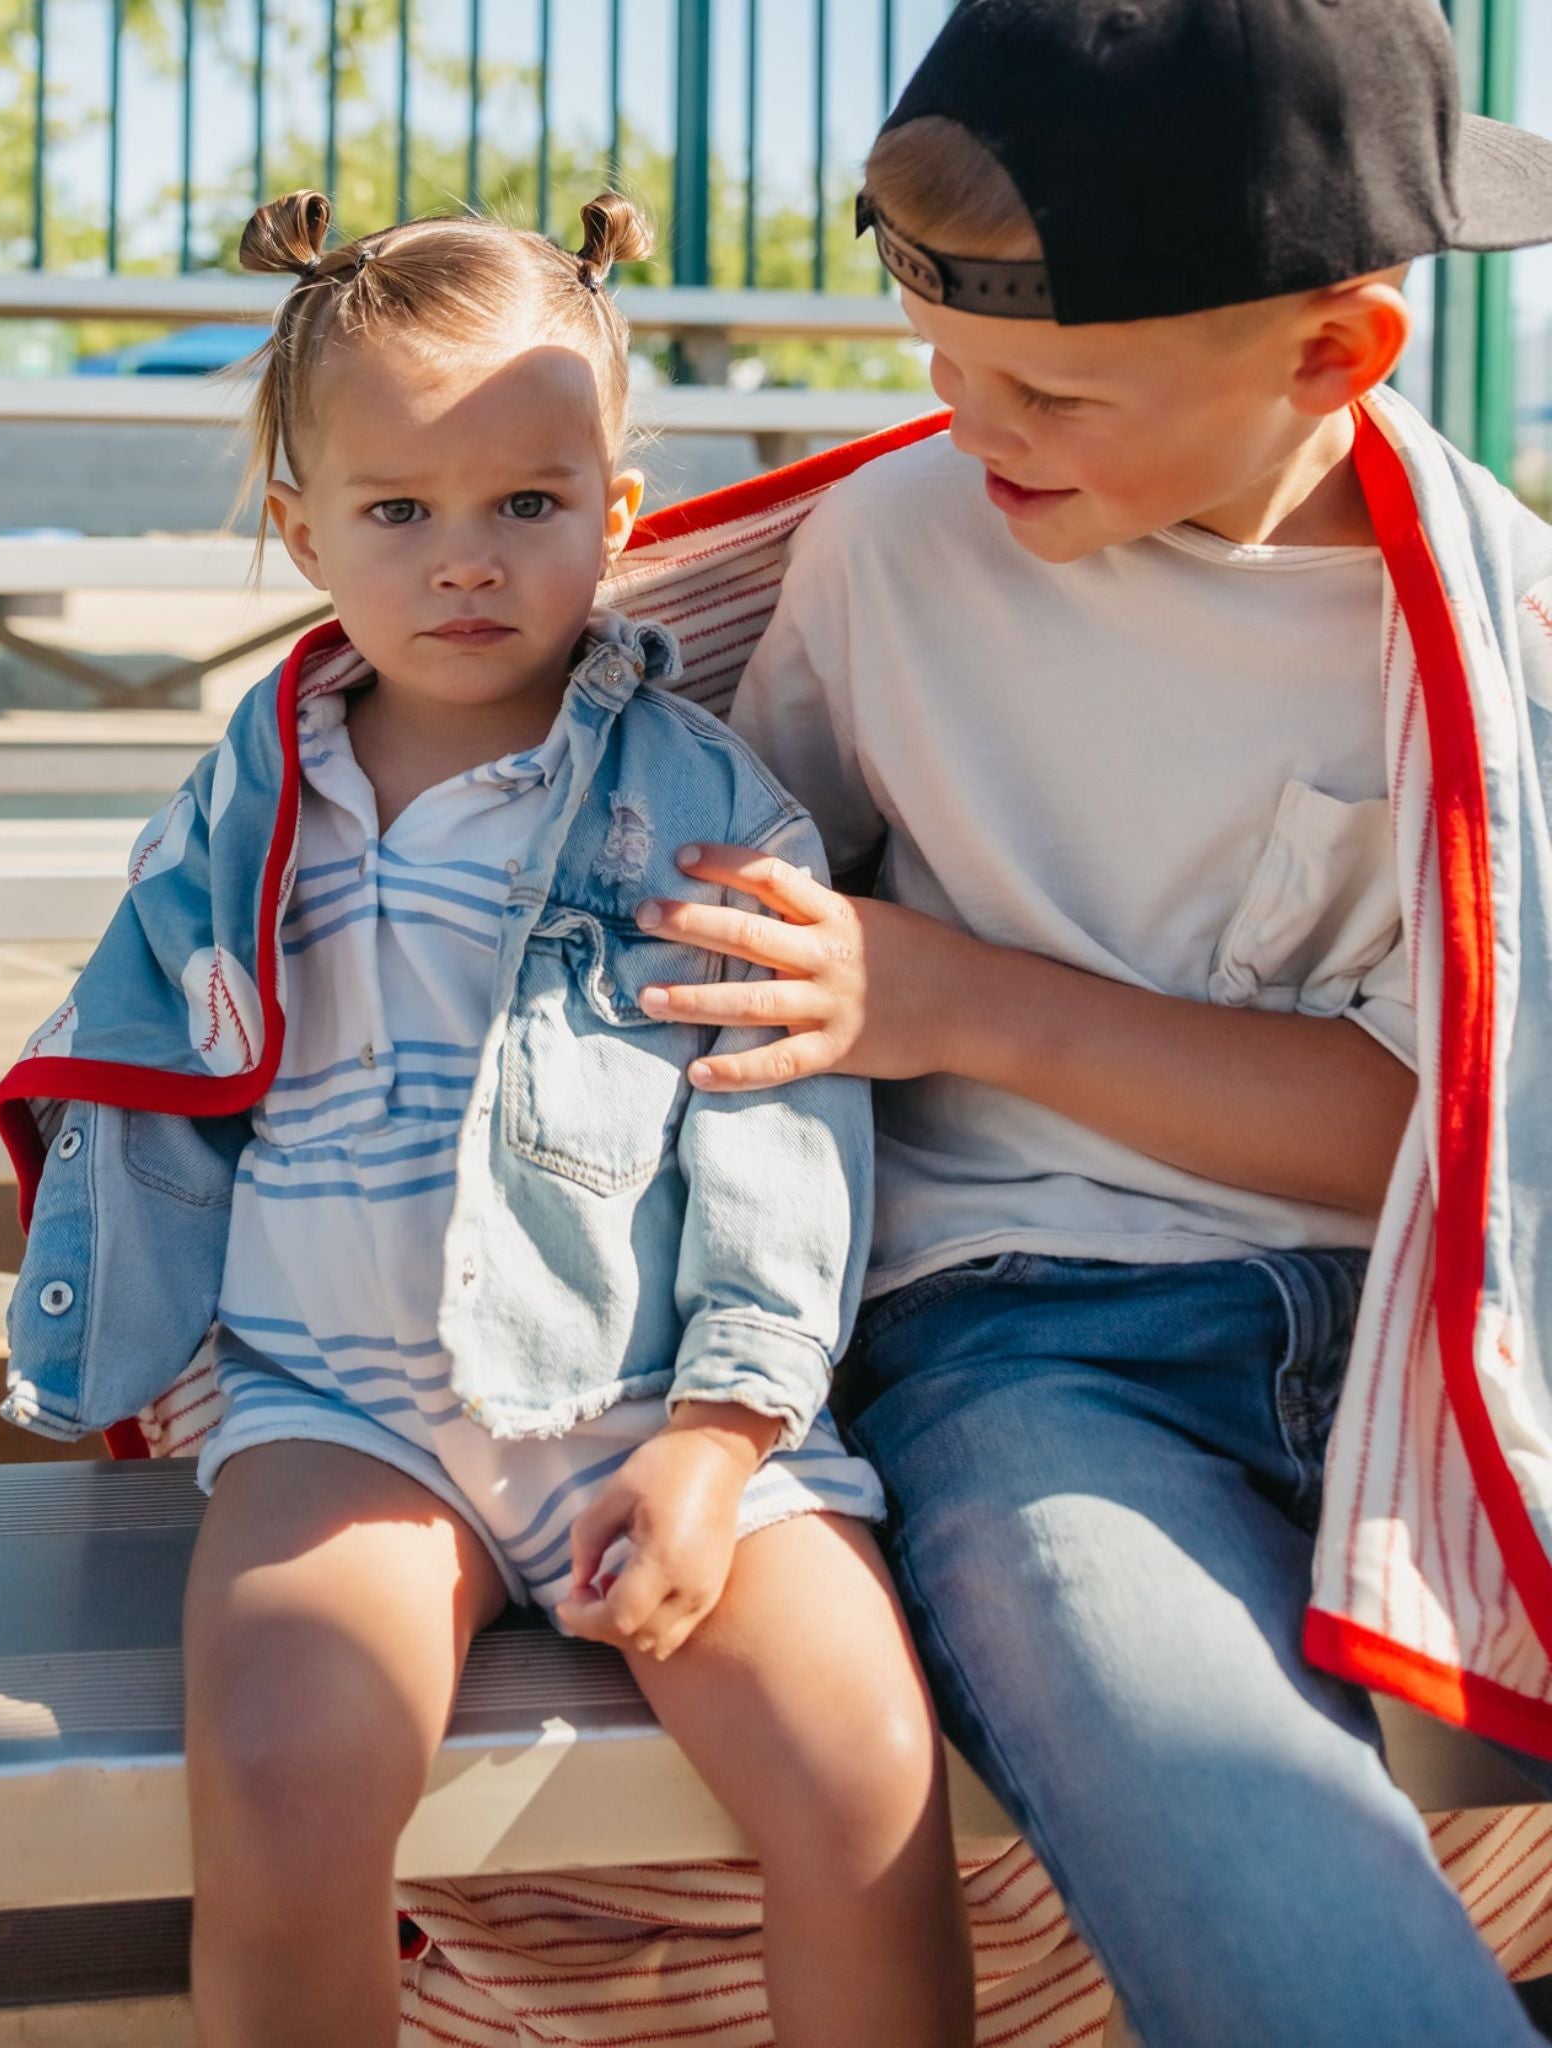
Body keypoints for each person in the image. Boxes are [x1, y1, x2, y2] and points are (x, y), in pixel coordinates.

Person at [628, 3, 1552, 2043]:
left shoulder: (1499, 644)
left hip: (1433, 1341)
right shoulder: (890, 551)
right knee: (1231, 1796)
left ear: (1334, 354)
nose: (972, 426)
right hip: (1031, 1344)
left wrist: (966, 1001)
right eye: (937, 359)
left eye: (1047, 388)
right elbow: (713, 902)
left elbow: (1444, 1134)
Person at [0, 191, 973, 2047]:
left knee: (864, 1780)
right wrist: (106, 1332)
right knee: (283, 1780)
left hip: (655, 1405)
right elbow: (146, 1076)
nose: (465, 562)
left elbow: (778, 1131)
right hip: (346, 1415)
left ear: (617, 515)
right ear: (302, 531)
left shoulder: (700, 809)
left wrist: (721, 1442)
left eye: (527, 504)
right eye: (398, 513)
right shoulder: (242, 807)